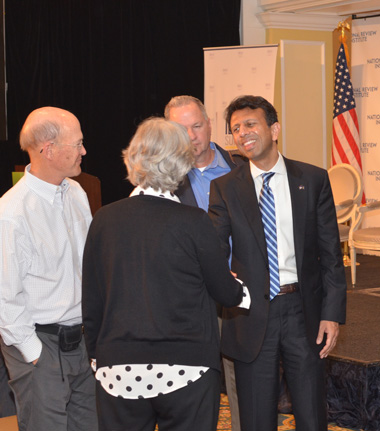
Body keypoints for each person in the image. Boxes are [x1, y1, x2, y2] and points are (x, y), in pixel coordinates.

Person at [81, 117, 245, 431]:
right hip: (187, 367)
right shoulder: (194, 221)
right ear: (182, 163)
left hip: (118, 368)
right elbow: (225, 291)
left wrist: (97, 357)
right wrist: (244, 291)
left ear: (133, 158)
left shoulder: (103, 220)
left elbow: (92, 299)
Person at [209, 95, 347, 430]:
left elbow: (330, 254)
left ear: (274, 129)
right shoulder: (225, 188)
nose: (243, 133)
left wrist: (332, 314)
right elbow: (212, 249)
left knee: (312, 415)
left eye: (250, 124)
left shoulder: (312, 180)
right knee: (256, 418)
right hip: (251, 314)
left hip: (304, 313)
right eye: (236, 129)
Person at [0, 107, 97, 431]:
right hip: (38, 344)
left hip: (80, 342)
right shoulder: (11, 213)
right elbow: (5, 298)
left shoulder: (77, 193)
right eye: (78, 143)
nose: (84, 151)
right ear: (48, 149)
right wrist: (35, 354)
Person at [164, 94, 244, 428]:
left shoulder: (244, 168)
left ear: (210, 124)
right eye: (183, 129)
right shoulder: (163, 180)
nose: (193, 135)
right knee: (194, 390)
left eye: (198, 126)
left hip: (240, 293)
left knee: (244, 382)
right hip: (189, 299)